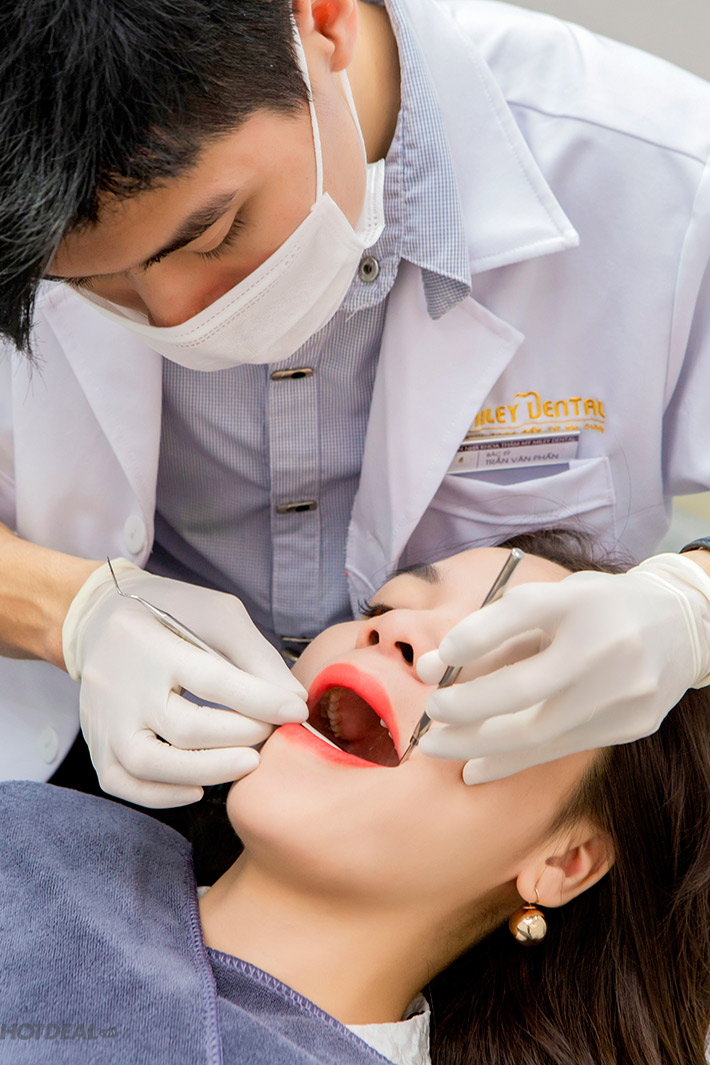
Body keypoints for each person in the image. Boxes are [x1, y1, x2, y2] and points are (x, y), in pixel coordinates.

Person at [3, 0, 710, 810]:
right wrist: (69, 612)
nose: (174, 315)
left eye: (213, 234)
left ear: (324, 19)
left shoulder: (666, 174)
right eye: (93, 282)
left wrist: (691, 608)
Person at [2, 532, 710, 1065]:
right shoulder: (36, 835)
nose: (393, 628)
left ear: (564, 862)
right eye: (386, 603)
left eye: (500, 667)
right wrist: (73, 606)